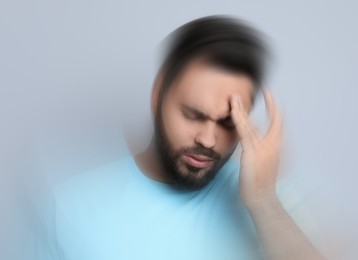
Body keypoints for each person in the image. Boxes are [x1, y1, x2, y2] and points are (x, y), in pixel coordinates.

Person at [38, 16, 324, 260]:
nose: (209, 140)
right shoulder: (70, 206)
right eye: (193, 114)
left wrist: (263, 200)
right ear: (158, 95)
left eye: (227, 122)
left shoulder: (272, 199)